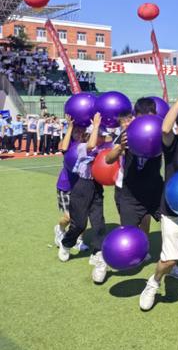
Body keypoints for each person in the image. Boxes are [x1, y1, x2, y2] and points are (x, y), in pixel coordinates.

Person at [139, 75, 178, 311]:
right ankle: (153, 283)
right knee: (170, 259)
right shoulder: (173, 144)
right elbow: (165, 128)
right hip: (173, 210)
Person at [57, 113, 110, 284]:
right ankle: (66, 243)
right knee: (79, 224)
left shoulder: (104, 148)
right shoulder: (81, 147)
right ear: (88, 134)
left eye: (103, 135)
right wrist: (95, 126)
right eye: (99, 135)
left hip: (96, 188)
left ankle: (98, 254)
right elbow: (92, 144)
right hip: (81, 187)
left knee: (99, 223)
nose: (101, 138)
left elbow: (111, 144)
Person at [106, 98, 162, 249]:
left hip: (153, 189)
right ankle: (106, 256)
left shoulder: (160, 132)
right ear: (135, 116)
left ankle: (169, 258)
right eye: (142, 117)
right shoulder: (127, 134)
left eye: (150, 116)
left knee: (170, 224)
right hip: (130, 190)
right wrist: (121, 147)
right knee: (128, 231)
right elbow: (108, 159)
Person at [53, 116, 88, 252]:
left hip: (82, 186)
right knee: (69, 217)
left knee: (82, 216)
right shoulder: (70, 143)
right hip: (65, 185)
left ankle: (79, 240)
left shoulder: (87, 144)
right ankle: (60, 228)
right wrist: (70, 127)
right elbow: (62, 147)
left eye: (81, 131)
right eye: (76, 131)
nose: (79, 133)